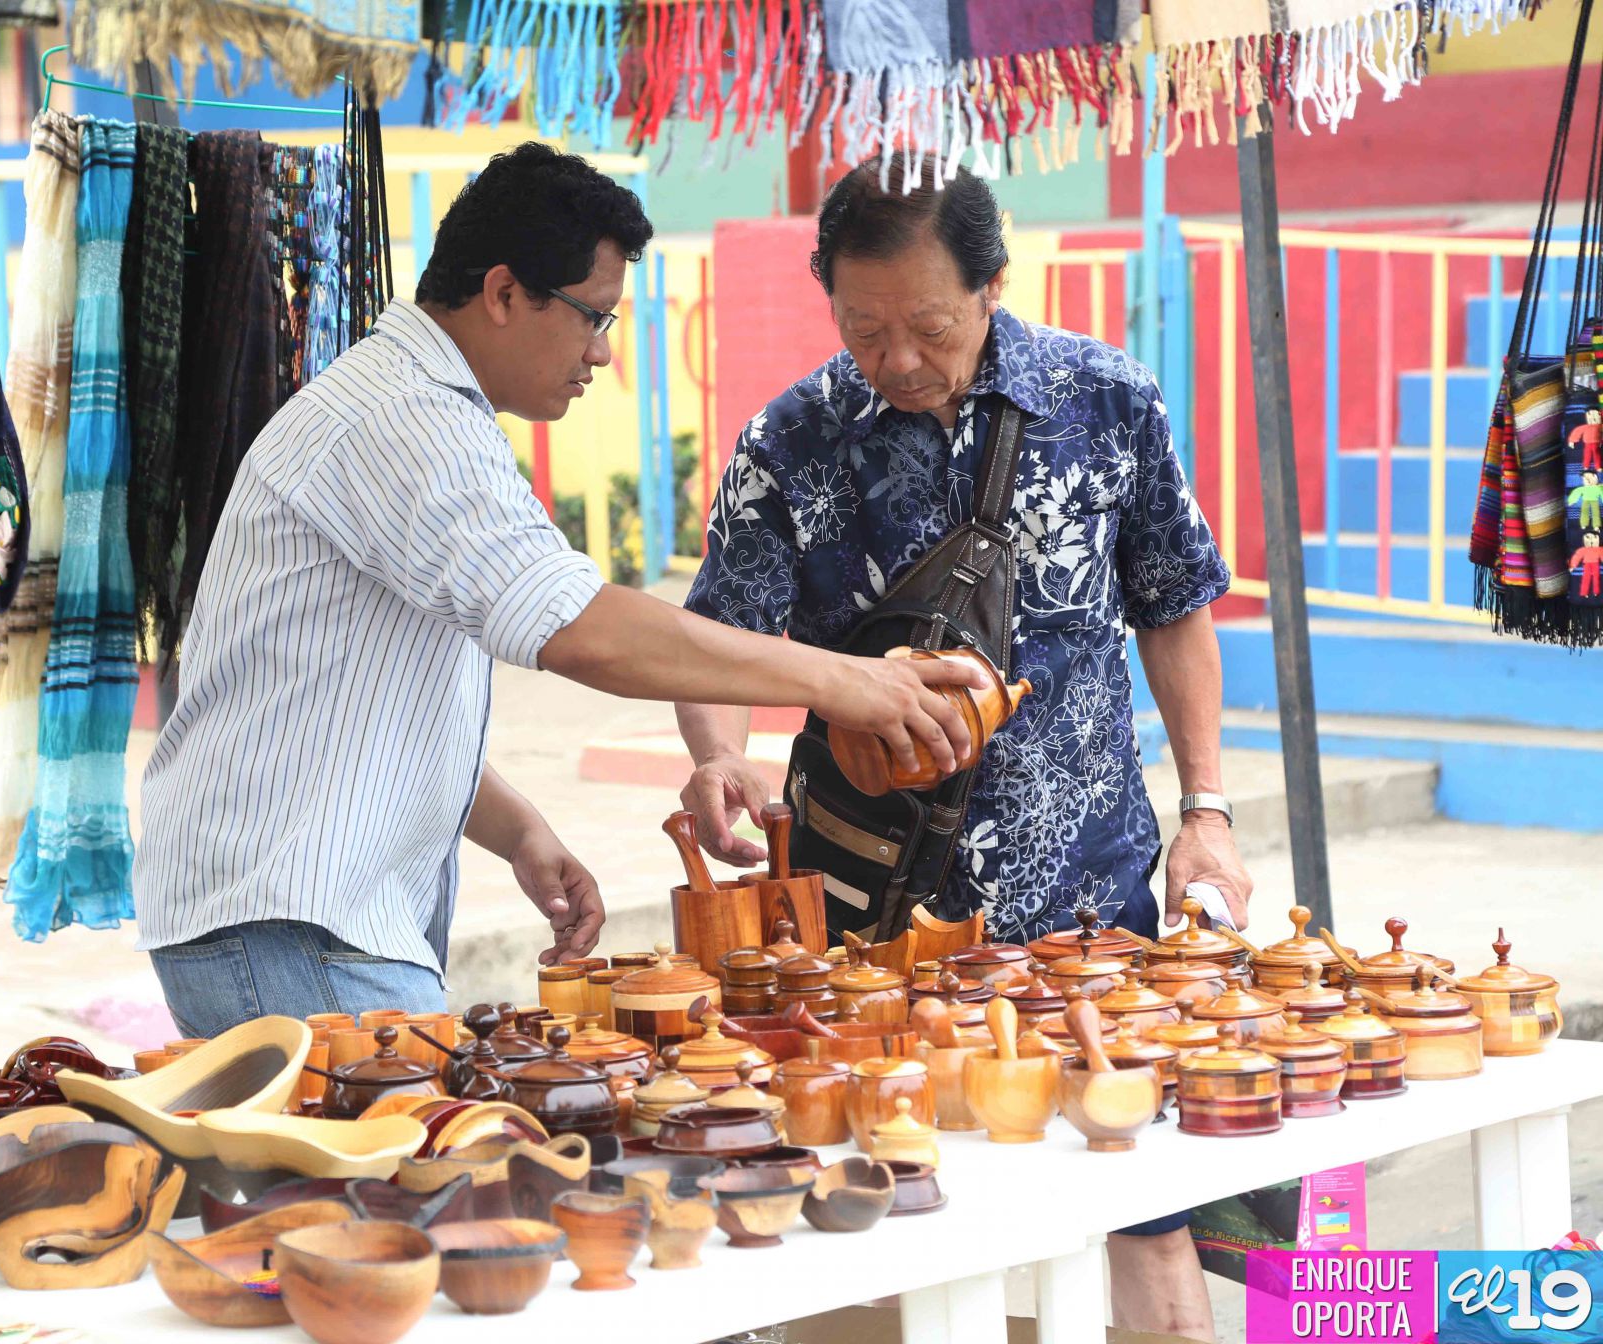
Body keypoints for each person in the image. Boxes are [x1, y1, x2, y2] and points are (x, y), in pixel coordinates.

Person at [133, 143, 994, 1033]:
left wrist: (518, 831)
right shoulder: (405, 419)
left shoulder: (415, 405)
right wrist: (846, 681)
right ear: (506, 294)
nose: (602, 353)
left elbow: (354, 708)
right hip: (291, 921)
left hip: (293, 917)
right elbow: (584, 631)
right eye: (593, 318)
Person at [674, 156, 1253, 1342]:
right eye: (862, 327)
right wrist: (720, 755)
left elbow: (1173, 607)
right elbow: (717, 638)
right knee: (879, 1204)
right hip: (868, 922)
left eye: (928, 327)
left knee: (1135, 1196)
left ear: (994, 285)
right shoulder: (790, 439)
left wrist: (1208, 810)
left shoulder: (1105, 401)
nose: (894, 357)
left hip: (1085, 903)